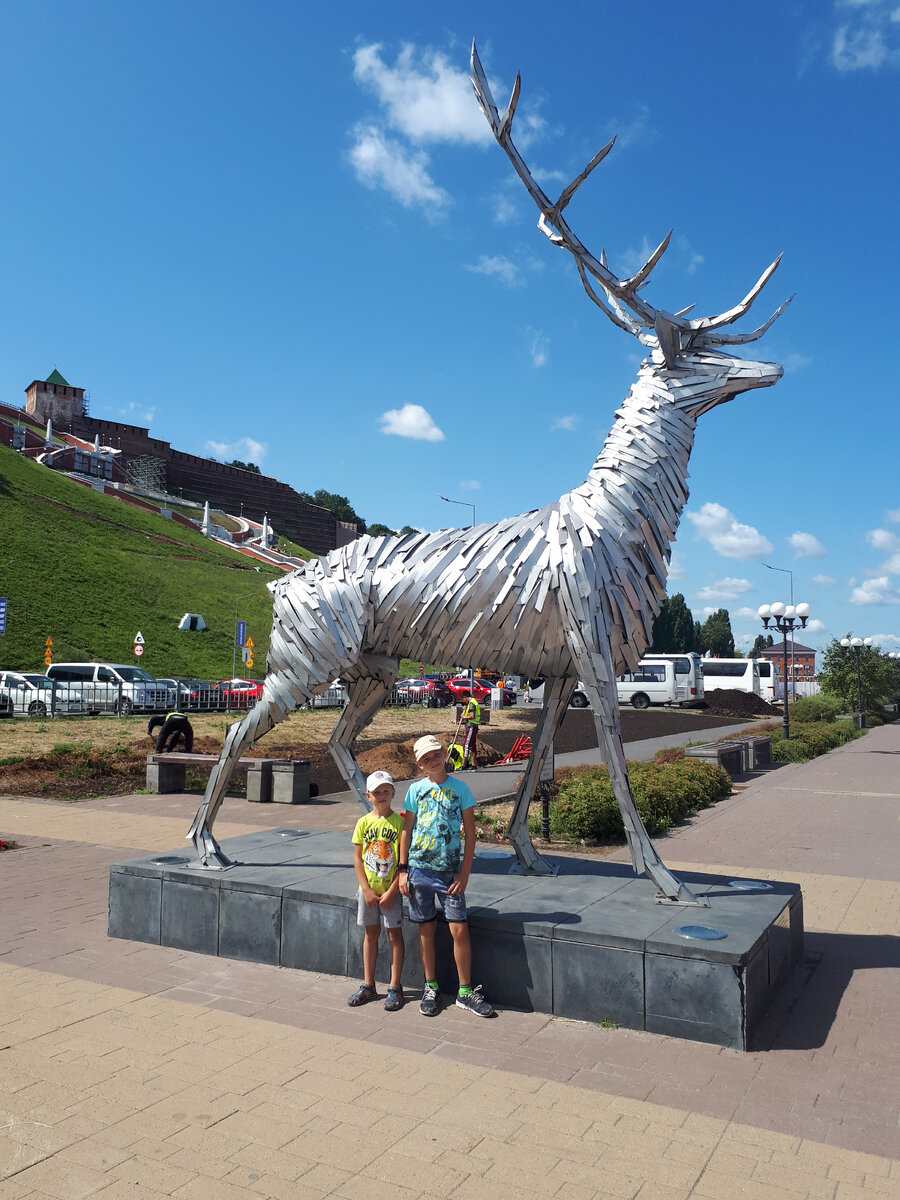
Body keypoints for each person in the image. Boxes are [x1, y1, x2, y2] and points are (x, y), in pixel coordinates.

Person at [399, 734, 495, 1018]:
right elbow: (407, 830)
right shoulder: (415, 791)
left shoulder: (461, 789)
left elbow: (470, 833)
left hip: (449, 874)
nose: (433, 761)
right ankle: (431, 987)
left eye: (436, 754)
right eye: (426, 759)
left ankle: (465, 992)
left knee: (459, 929)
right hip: (419, 870)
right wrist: (403, 869)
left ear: (444, 753)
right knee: (425, 929)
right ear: (420, 765)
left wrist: (464, 872)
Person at [347, 770, 405, 1011]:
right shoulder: (363, 822)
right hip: (368, 891)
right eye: (377, 792)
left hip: (391, 891)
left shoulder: (400, 823)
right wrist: (365, 888)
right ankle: (368, 984)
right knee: (370, 935)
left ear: (393, 792)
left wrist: (393, 891)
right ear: (368, 795)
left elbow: (404, 862)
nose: (382, 795)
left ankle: (394, 986)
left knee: (394, 936)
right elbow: (358, 858)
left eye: (386, 791)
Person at [461, 693, 481, 769]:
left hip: (471, 726)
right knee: (472, 746)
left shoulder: (472, 703)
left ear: (465, 697)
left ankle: (464, 765)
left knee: (466, 745)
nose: (464, 701)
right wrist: (465, 710)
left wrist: (464, 717)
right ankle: (473, 765)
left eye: (463, 699)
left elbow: (472, 716)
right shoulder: (472, 702)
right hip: (473, 726)